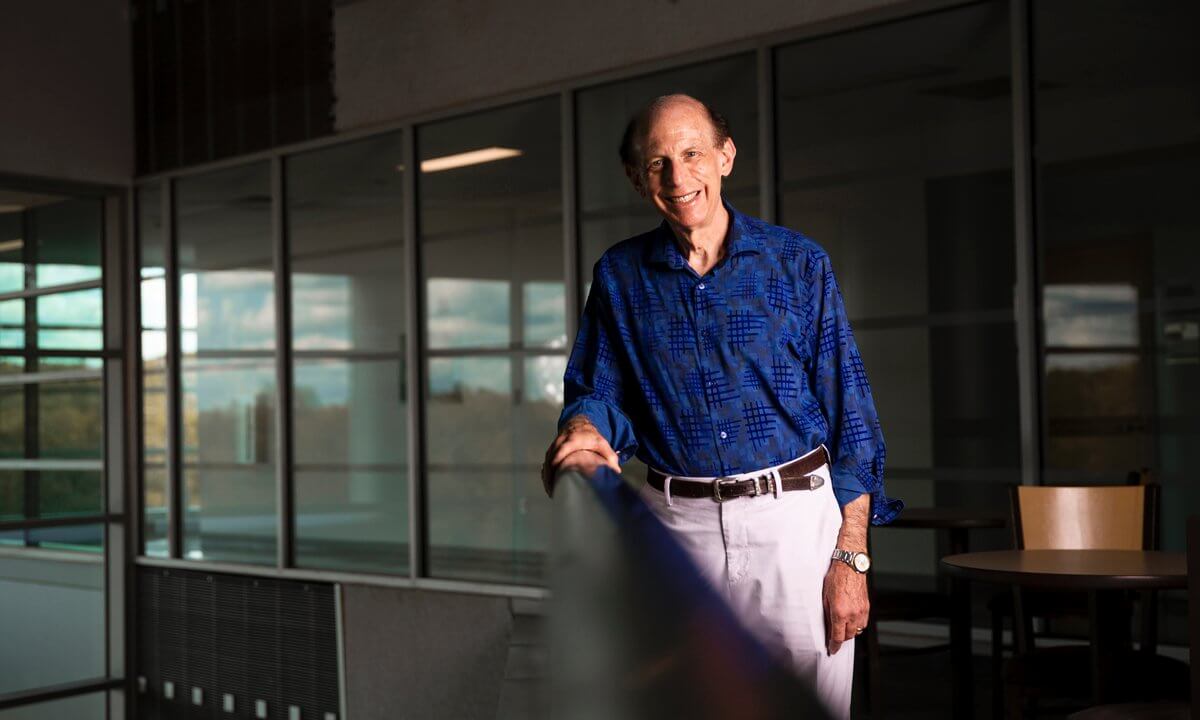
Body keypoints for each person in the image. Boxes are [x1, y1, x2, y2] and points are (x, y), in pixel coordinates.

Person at [541, 94, 902, 718]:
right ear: (637, 178)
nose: (679, 179)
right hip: (677, 530)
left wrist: (850, 558)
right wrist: (583, 429)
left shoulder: (799, 263)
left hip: (794, 528)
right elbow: (602, 392)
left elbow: (854, 423)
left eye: (691, 154)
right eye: (658, 164)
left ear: (725, 157)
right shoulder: (620, 275)